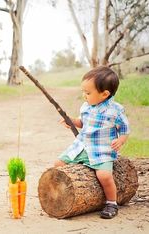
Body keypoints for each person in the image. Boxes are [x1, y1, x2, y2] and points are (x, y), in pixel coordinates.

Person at [54, 66, 130, 219]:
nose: (84, 95)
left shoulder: (115, 111)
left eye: (88, 93)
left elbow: (125, 128)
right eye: (83, 92)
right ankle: (64, 193)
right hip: (82, 146)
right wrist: (72, 121)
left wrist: (121, 140)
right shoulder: (86, 107)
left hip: (101, 150)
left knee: (104, 176)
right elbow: (83, 123)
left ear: (104, 94)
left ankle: (111, 202)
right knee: (58, 164)